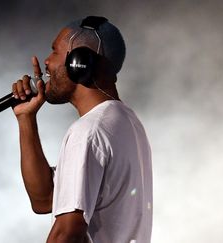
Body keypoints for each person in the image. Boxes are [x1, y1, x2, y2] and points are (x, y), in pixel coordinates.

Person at [11, 16, 152, 243]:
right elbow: (45, 200)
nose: (46, 62)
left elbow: (67, 233)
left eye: (55, 51)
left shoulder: (89, 131)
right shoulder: (125, 122)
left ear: (80, 60)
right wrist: (26, 118)